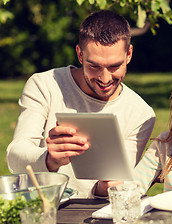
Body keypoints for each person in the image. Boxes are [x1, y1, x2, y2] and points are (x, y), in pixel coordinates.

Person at [6, 10, 155, 198]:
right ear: (80, 54)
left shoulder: (140, 114)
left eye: (114, 66)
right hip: (42, 207)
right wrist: (49, 159)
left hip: (93, 217)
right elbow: (14, 158)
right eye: (94, 66)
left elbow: (111, 190)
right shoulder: (44, 85)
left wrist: (106, 187)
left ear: (129, 54)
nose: (105, 78)